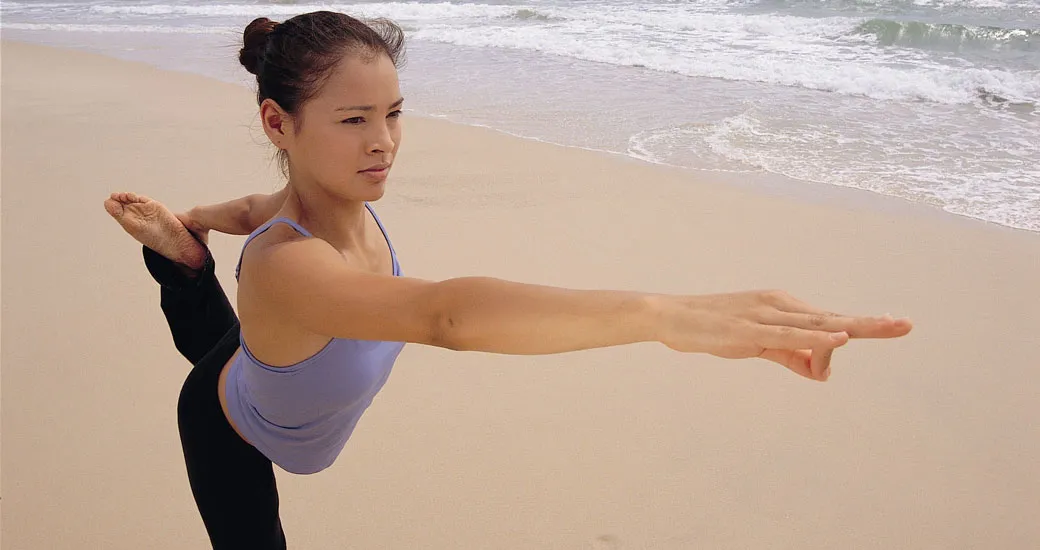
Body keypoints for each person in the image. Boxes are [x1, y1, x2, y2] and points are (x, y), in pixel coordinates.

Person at [103, 10, 912, 550]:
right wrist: (666, 315)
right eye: (353, 120)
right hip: (234, 430)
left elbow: (257, 202)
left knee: (242, 352)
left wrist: (200, 214)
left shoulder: (317, 201)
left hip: (269, 364)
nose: (384, 142)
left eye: (393, 112)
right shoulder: (285, 266)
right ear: (278, 122)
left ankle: (181, 252)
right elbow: (446, 316)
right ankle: (182, 268)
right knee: (220, 375)